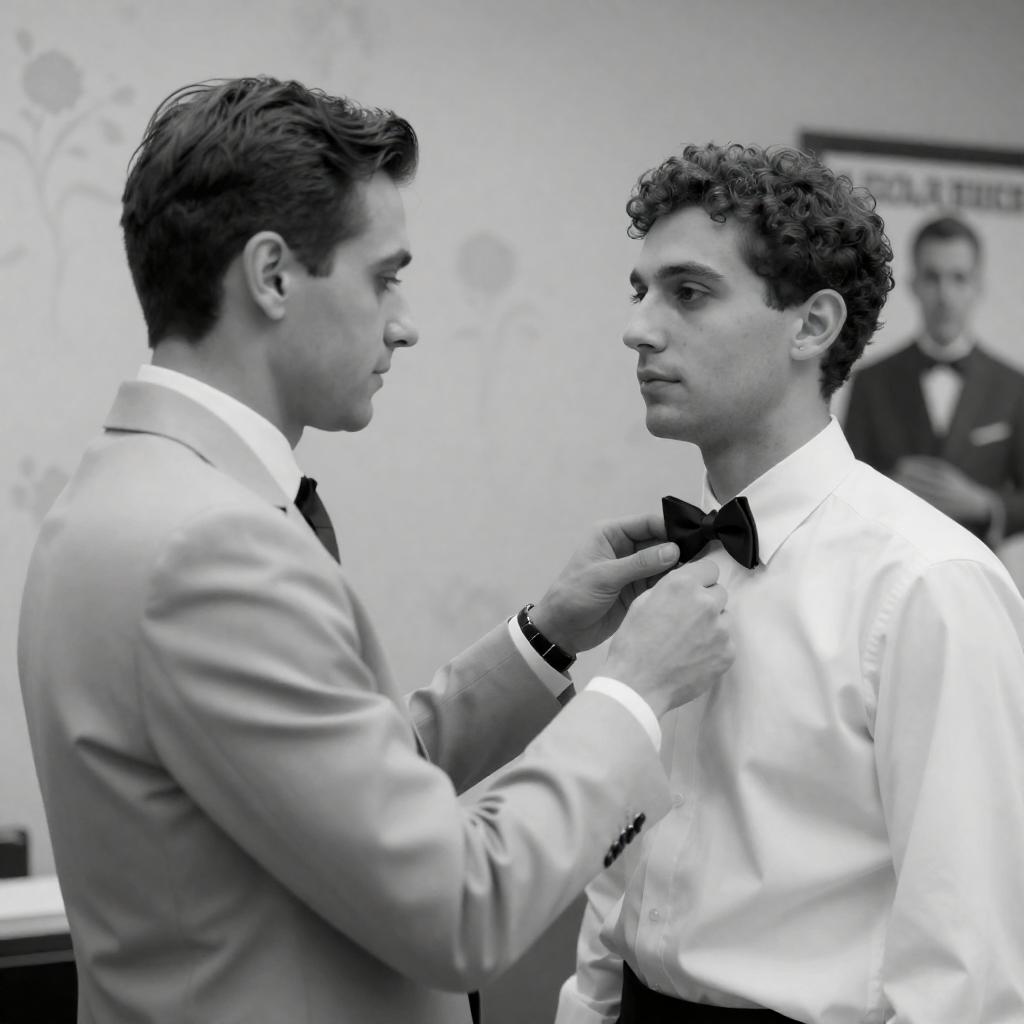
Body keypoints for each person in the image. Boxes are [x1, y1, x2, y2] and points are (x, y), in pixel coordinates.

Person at [16, 78, 737, 1024]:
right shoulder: (208, 550)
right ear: (273, 276)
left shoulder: (125, 497)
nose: (404, 321)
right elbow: (457, 907)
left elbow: (337, 793)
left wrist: (543, 638)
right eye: (383, 276)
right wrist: (634, 690)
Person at [556, 144, 1024, 1023]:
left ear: (811, 327)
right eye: (640, 290)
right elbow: (626, 860)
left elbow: (966, 970)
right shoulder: (669, 561)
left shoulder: (930, 586)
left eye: (687, 293)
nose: (638, 328)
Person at [843, 214, 1024, 547]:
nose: (945, 295)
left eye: (959, 278)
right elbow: (845, 486)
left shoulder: (1014, 386)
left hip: (977, 568)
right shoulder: (870, 382)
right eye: (932, 277)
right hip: (889, 564)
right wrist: (889, 488)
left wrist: (985, 504)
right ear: (913, 284)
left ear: (978, 285)